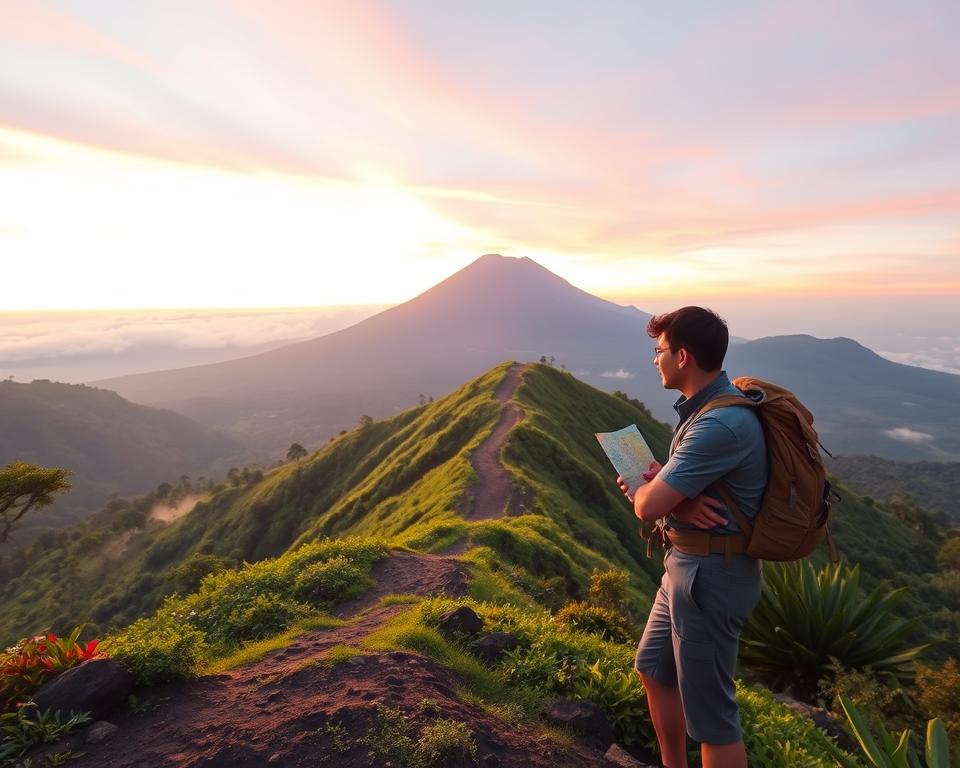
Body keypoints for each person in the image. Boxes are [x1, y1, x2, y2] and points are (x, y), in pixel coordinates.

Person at [616, 306, 768, 768]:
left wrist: (648, 491)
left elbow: (646, 507)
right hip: (686, 567)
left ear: (682, 356)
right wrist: (675, 496)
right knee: (655, 670)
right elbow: (676, 493)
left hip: (711, 576)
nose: (655, 360)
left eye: (659, 351)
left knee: (712, 720)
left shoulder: (718, 424)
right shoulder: (705, 411)